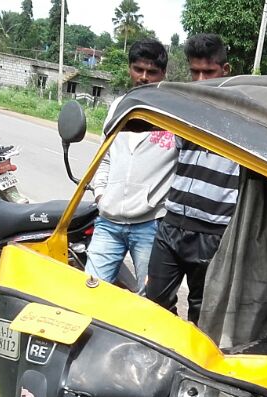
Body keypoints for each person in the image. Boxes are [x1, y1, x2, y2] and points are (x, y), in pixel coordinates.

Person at [145, 33, 240, 322]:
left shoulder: (242, 117)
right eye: (194, 72)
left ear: (225, 70)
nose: (200, 80)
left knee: (202, 313)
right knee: (154, 301)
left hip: (214, 231)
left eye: (208, 72)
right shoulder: (184, 111)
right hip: (172, 223)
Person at [82, 38, 176, 290]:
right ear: (129, 69)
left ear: (163, 74)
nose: (144, 77)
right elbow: (104, 156)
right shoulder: (117, 108)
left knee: (148, 301)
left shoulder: (174, 114)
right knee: (90, 291)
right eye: (138, 69)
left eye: (151, 72)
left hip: (150, 224)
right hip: (108, 221)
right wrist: (100, 194)